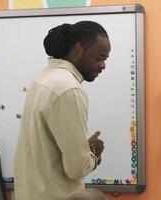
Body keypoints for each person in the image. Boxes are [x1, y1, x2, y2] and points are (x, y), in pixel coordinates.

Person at [14, 21, 111, 200]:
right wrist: (94, 155)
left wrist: (82, 148)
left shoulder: (42, 78)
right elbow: (76, 168)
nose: (103, 65)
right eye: (99, 57)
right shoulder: (69, 89)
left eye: (106, 59)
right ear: (78, 49)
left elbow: (47, 144)